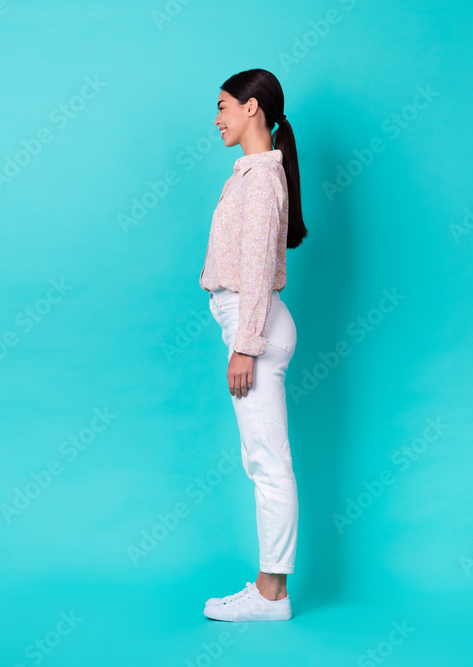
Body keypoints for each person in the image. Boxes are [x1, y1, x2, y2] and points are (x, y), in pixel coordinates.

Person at [199, 68, 308, 622]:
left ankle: (271, 595)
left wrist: (246, 345)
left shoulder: (263, 175)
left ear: (251, 107)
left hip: (254, 327)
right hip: (249, 325)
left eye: (223, 106)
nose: (216, 119)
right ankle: (270, 591)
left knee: (268, 463)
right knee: (260, 459)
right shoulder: (252, 172)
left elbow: (261, 266)